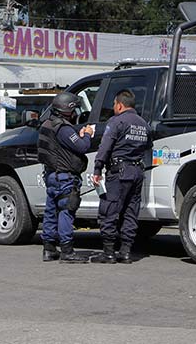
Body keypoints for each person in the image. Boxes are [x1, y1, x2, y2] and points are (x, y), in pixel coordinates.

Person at [91, 90, 153, 264]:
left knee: (109, 211)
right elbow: (148, 146)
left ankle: (108, 253)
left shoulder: (117, 121)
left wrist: (97, 169)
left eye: (113, 105)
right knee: (130, 213)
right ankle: (126, 252)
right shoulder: (144, 124)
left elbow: (105, 147)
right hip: (137, 172)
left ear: (119, 105)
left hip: (119, 173)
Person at [37, 92, 94, 263]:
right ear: (68, 109)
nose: (77, 112)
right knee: (66, 210)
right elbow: (82, 146)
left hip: (52, 175)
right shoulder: (63, 128)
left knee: (51, 211)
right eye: (75, 108)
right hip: (65, 177)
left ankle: (49, 249)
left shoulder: (47, 124)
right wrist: (87, 134)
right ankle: (67, 251)